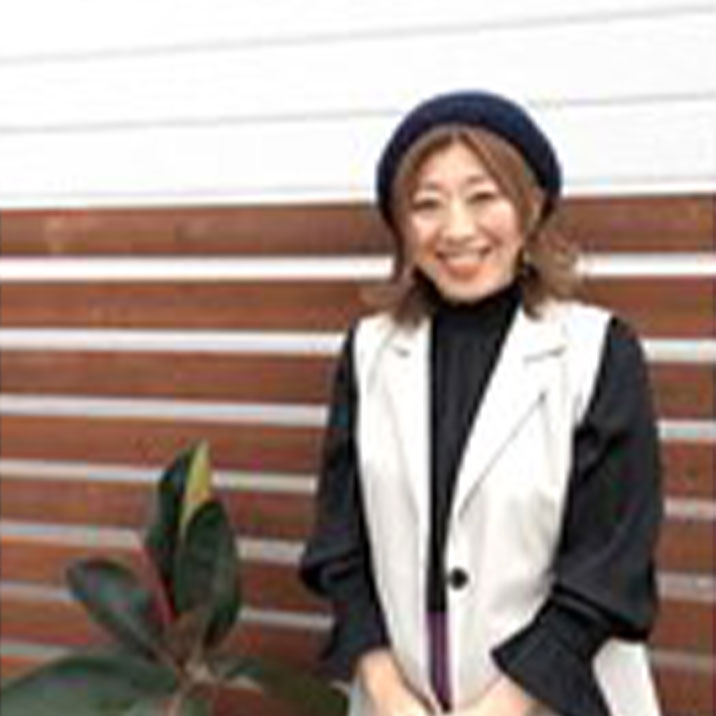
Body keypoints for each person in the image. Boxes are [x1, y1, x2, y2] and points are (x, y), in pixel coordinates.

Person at [300, 90, 663, 716]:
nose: (458, 229)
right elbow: (341, 543)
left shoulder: (599, 351)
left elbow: (610, 565)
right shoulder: (368, 352)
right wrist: (386, 689)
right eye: (427, 205)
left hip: (559, 696)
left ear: (532, 206)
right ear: (402, 227)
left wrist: (504, 704)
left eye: (483, 196)